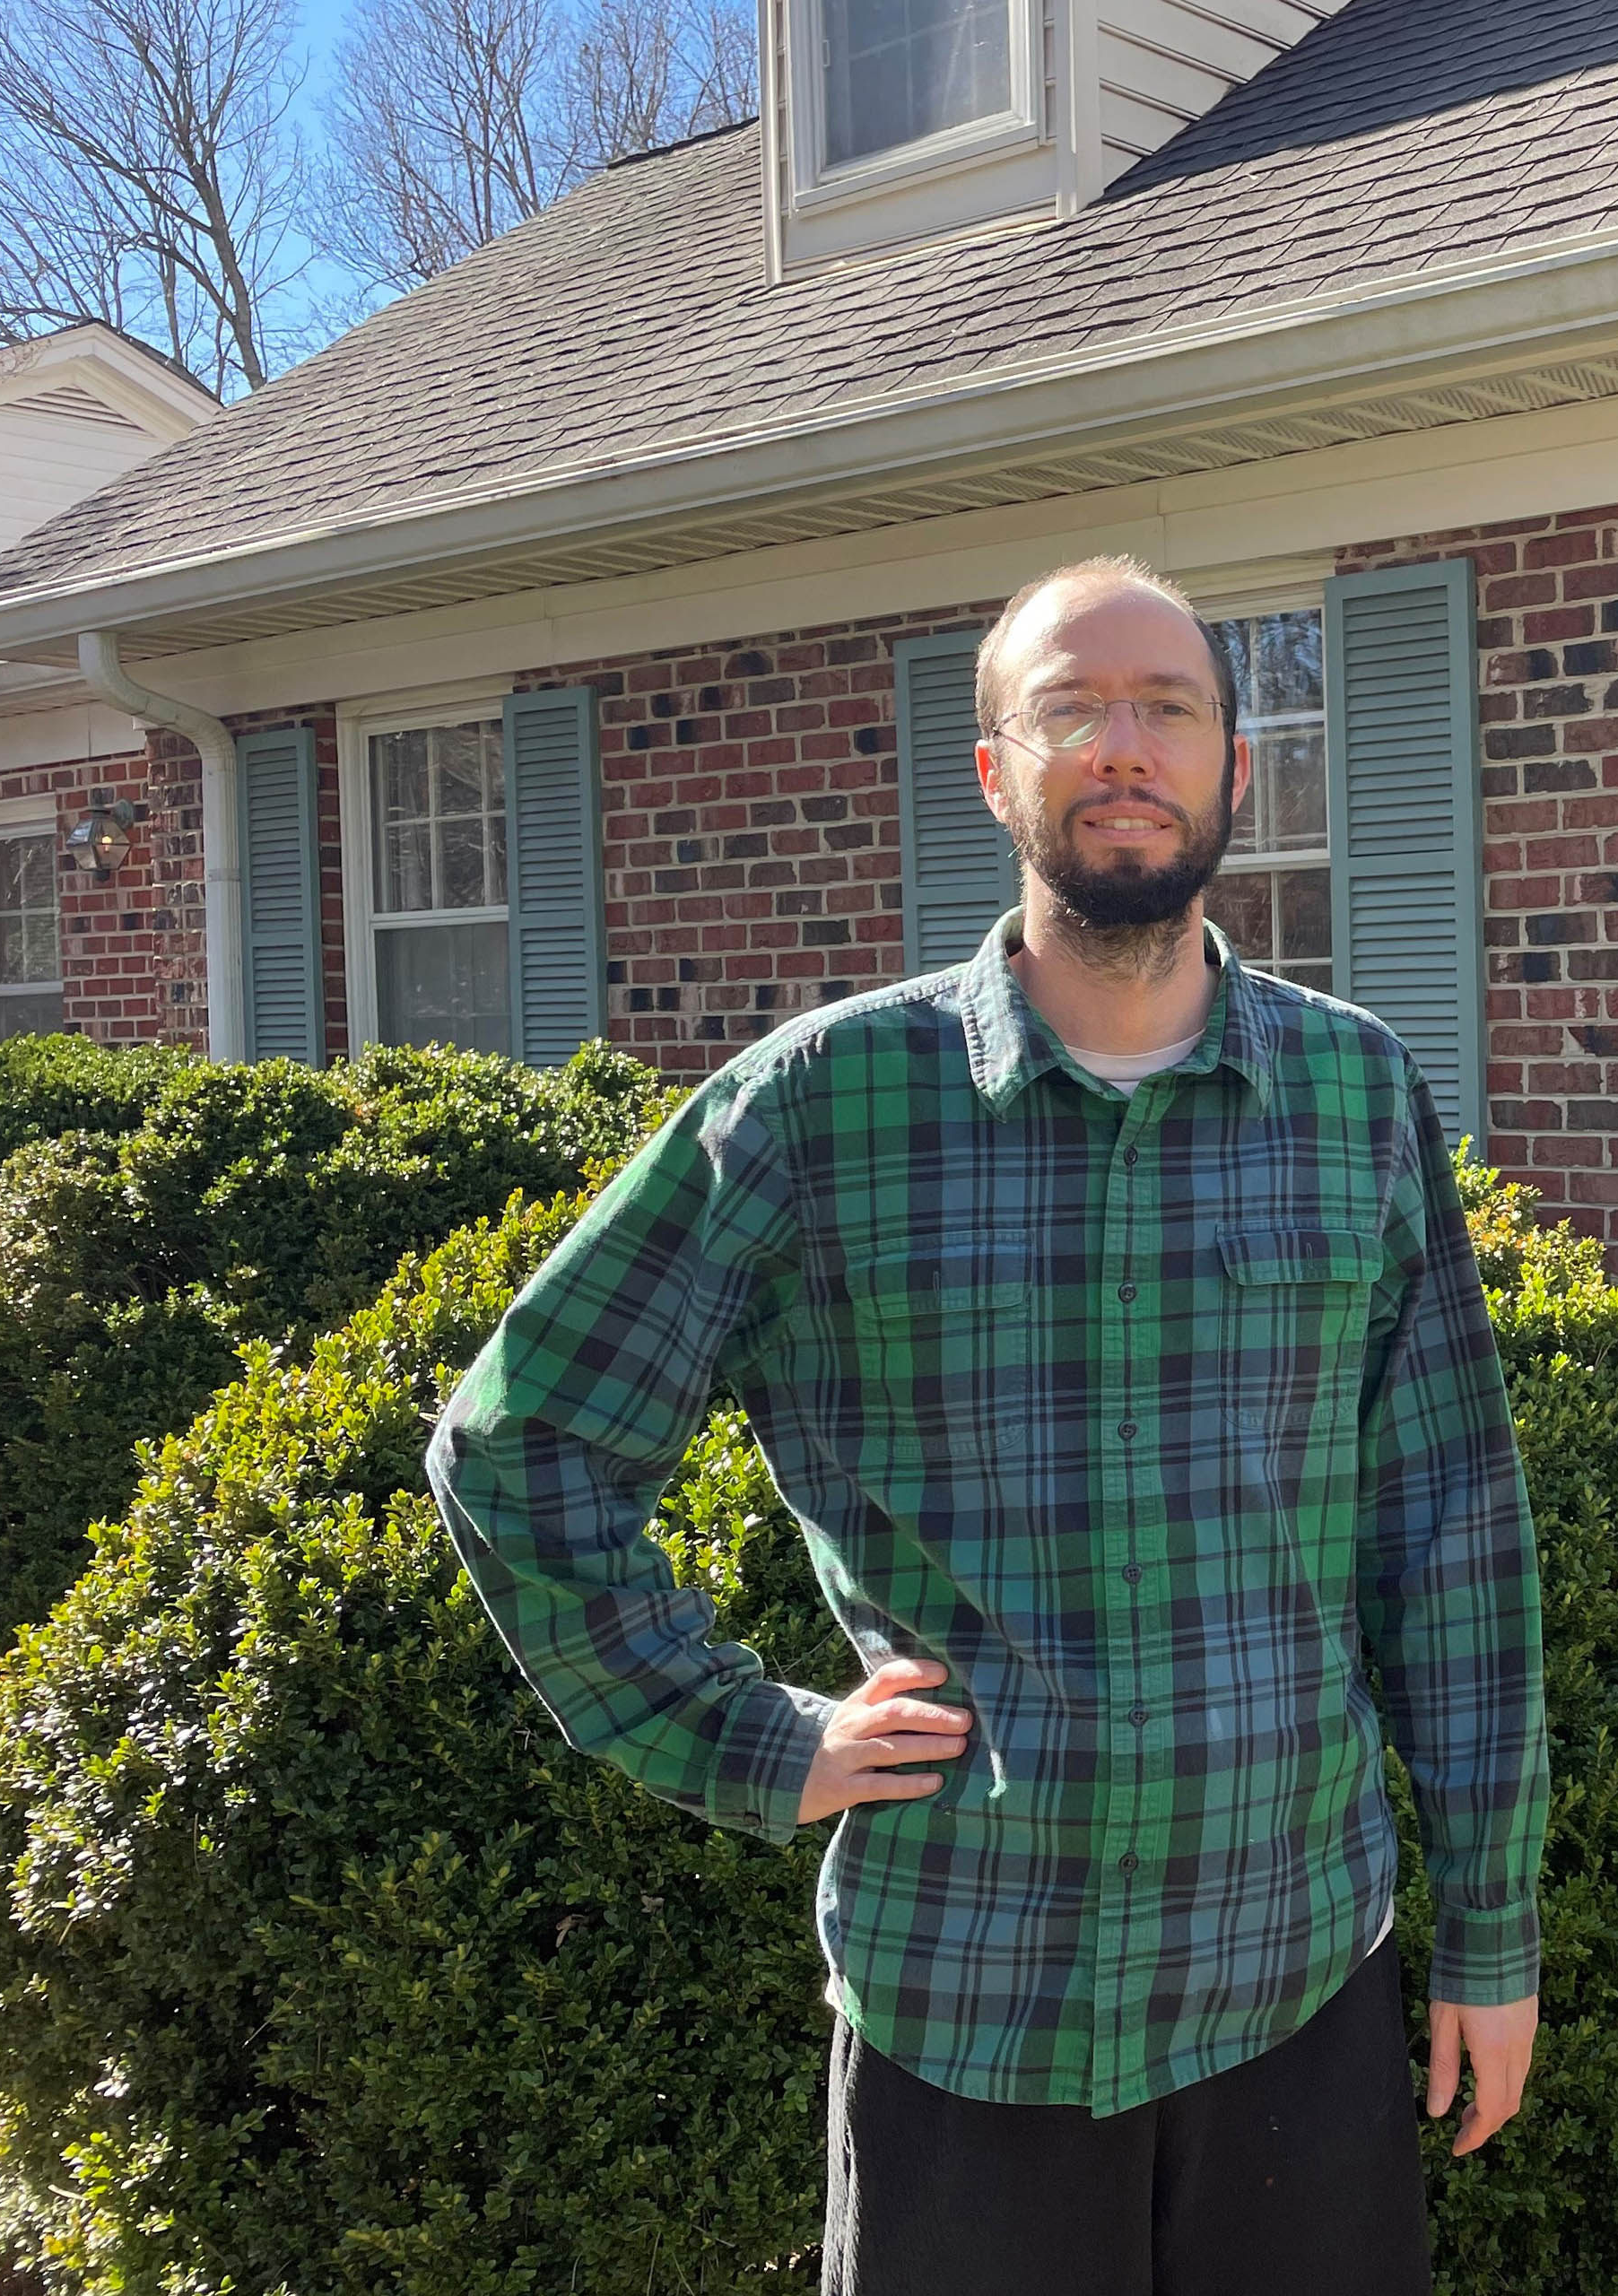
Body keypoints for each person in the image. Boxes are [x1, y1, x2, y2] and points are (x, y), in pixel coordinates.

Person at [426, 555, 1545, 2296]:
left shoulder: (1358, 1096)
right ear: (994, 772)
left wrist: (1493, 1931)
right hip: (971, 2011)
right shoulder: (820, 1106)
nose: (1123, 743)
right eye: (1069, 706)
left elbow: (1451, 1534)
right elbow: (523, 1440)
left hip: (1298, 1987)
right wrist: (746, 1735)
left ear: (1237, 767)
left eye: (1168, 705)